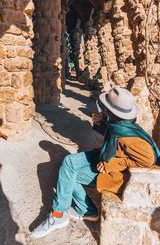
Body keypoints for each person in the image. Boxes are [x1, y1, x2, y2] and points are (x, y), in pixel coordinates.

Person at [32, 86, 160, 239]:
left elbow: (148, 160)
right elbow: (114, 138)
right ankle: (87, 210)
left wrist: (113, 165)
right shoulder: (122, 126)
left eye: (106, 108)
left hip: (115, 172)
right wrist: (101, 125)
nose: (103, 109)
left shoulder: (129, 137)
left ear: (111, 112)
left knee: (68, 173)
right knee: (68, 163)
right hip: (105, 158)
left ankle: (59, 214)